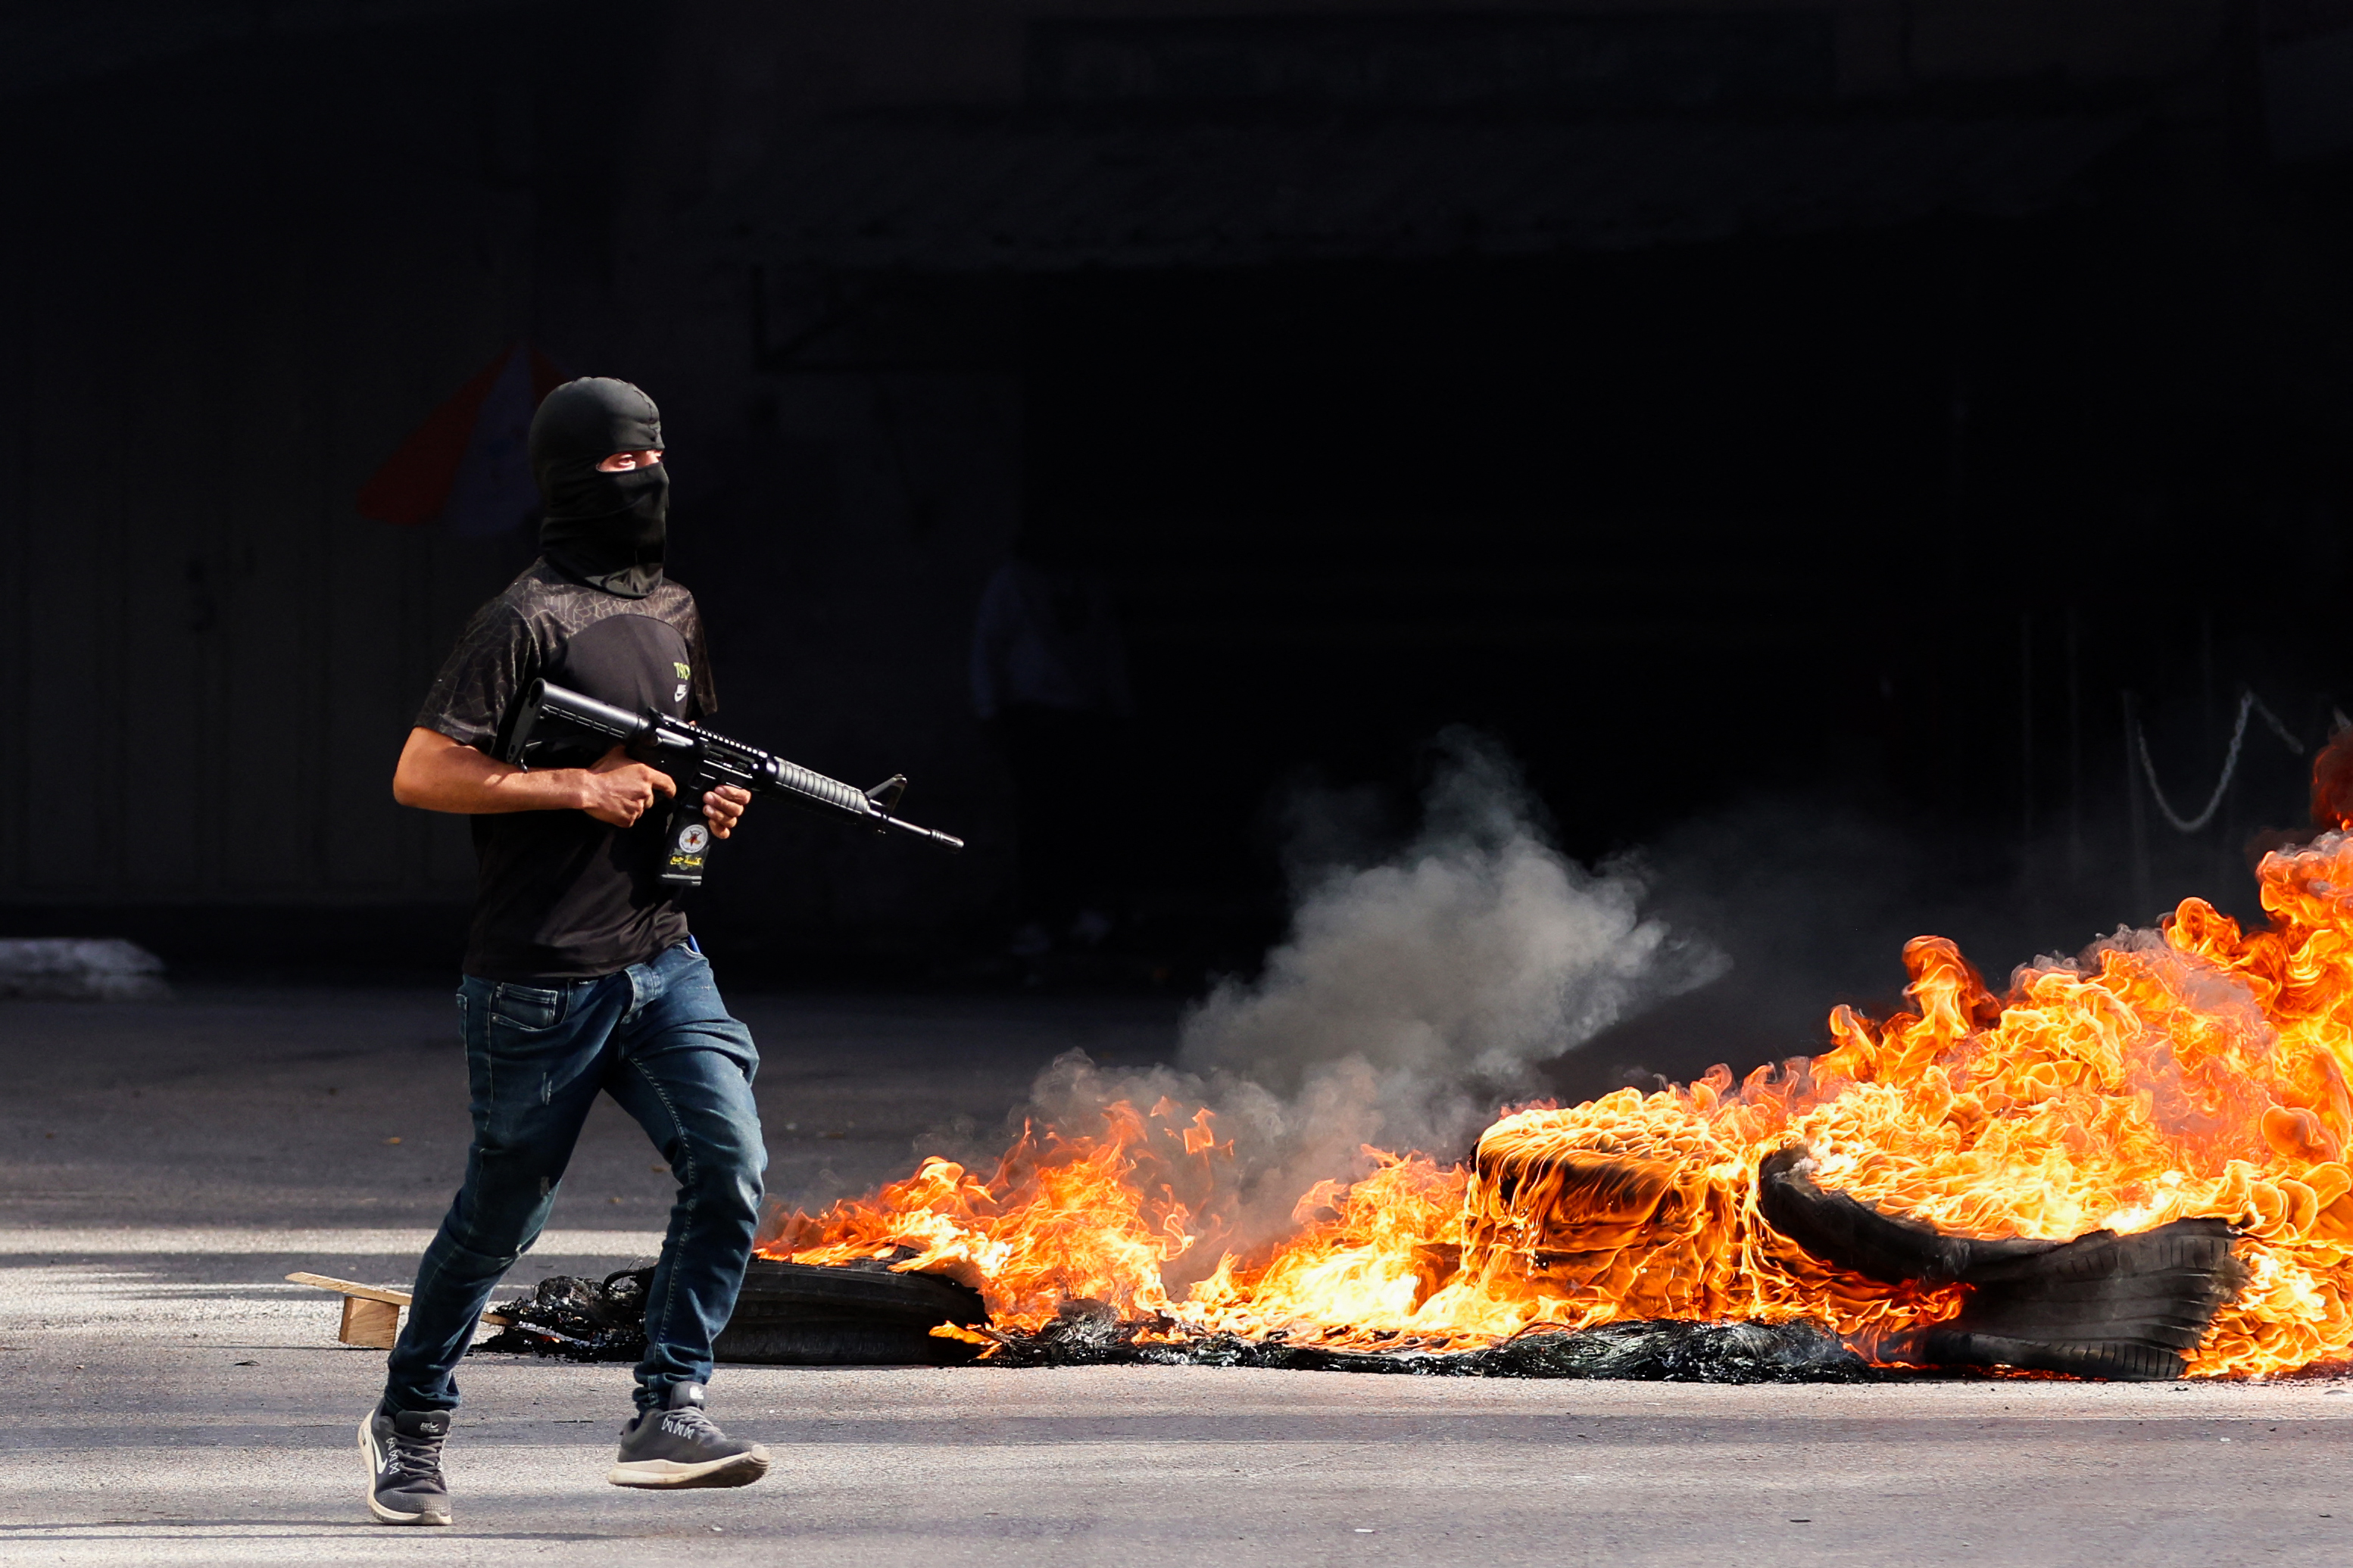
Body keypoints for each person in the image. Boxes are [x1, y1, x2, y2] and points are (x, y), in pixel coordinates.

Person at [363, 377, 771, 1526]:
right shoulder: (523, 619)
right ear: (565, 481)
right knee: (505, 1215)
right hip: (539, 978)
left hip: (663, 957)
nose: (646, 482)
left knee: (729, 1164)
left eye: (656, 460)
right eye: (619, 467)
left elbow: (687, 763)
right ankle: (411, 1416)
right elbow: (421, 771)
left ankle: (669, 1407)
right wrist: (573, 786)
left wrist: (710, 806)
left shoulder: (678, 610)